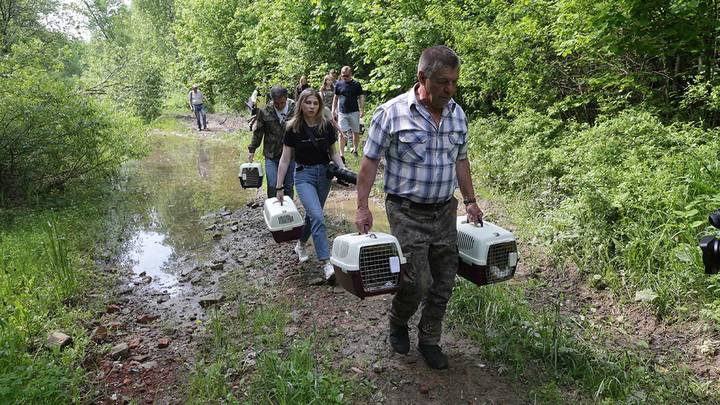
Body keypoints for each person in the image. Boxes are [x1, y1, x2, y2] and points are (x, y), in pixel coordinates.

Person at [354, 45, 483, 370]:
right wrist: (362, 207)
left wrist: (470, 201)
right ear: (422, 77)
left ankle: (429, 339)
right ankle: (398, 321)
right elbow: (370, 161)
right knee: (416, 280)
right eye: (442, 81)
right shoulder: (392, 113)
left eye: (454, 81)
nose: (449, 89)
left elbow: (461, 160)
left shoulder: (457, 114)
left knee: (444, 280)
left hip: (443, 211)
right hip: (406, 210)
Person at [276, 88, 346, 282]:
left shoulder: (326, 126)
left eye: (315, 103)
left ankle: (300, 244)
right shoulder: (293, 128)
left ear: (320, 105)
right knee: (317, 216)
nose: (312, 107)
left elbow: (333, 153)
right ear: (301, 104)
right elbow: (285, 159)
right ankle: (327, 264)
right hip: (303, 175)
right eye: (308, 103)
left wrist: (343, 171)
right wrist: (279, 187)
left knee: (312, 216)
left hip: (324, 175)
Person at [248, 86, 296, 199]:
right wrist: (252, 149)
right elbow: (258, 132)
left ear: (286, 98)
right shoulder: (264, 110)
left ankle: (288, 210)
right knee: (272, 185)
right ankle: (273, 210)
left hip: (291, 155)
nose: (279, 106)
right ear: (272, 100)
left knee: (289, 186)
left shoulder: (295, 109)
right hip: (271, 154)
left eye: (282, 103)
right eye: (276, 103)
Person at [332, 66, 365, 157]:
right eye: (343, 76)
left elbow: (361, 97)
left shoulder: (356, 84)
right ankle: (341, 154)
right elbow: (336, 97)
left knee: (355, 131)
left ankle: (355, 149)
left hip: (354, 111)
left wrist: (362, 109)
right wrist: (333, 110)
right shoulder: (339, 84)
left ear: (351, 74)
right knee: (341, 132)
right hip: (342, 112)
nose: (344, 77)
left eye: (346, 76)